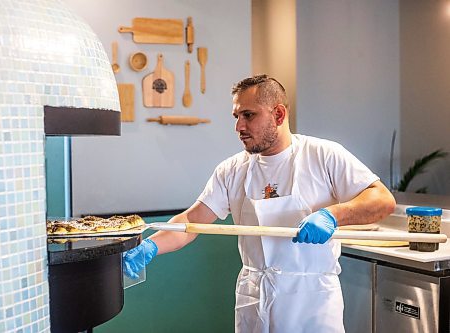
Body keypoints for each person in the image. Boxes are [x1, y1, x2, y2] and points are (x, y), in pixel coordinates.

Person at [123, 74, 396, 332]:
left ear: (278, 114)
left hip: (311, 301)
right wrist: (151, 245)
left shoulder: (323, 155)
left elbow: (382, 200)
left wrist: (332, 215)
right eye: (236, 116)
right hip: (254, 296)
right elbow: (191, 222)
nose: (238, 126)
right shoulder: (232, 170)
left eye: (248, 115)